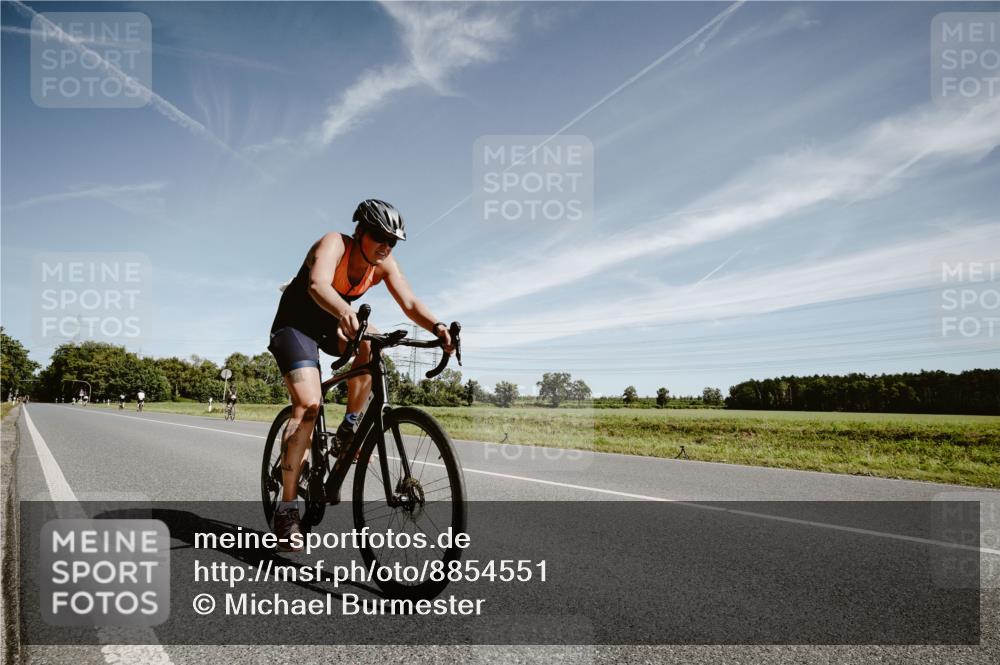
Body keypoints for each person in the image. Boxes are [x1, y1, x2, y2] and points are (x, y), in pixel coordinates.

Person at [267, 199, 454, 548]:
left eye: (392, 241)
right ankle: (286, 508)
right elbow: (317, 286)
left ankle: (350, 427)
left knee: (372, 341)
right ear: (359, 232)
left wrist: (438, 326)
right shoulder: (334, 243)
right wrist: (343, 311)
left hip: (332, 322)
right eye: (379, 236)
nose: (386, 246)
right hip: (295, 324)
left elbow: (410, 304)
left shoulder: (384, 264)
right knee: (308, 406)